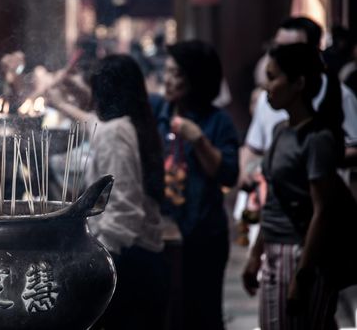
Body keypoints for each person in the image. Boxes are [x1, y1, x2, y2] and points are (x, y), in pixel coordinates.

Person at [47, 54, 168, 330]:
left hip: (129, 262)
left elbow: (123, 210)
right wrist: (64, 103)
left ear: (104, 90)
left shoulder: (115, 132)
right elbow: (94, 124)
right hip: (145, 259)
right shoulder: (132, 122)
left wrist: (94, 257)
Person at [242, 43, 350, 329]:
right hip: (275, 248)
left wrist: (303, 275)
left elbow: (323, 209)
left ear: (298, 83)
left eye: (273, 77)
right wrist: (256, 255)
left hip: (300, 251)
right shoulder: (281, 131)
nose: (267, 86)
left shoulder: (317, 138)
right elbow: (274, 198)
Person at [156, 40, 239, 329]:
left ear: (196, 77)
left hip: (204, 235)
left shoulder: (218, 122)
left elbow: (228, 174)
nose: (167, 80)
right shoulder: (158, 112)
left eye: (176, 73)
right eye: (166, 71)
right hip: (163, 236)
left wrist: (199, 139)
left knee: (204, 316)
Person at [241, 17, 357, 190]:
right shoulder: (269, 101)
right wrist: (245, 173)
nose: (279, 55)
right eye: (277, 47)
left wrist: (313, 161)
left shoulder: (339, 96)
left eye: (290, 50)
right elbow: (253, 146)